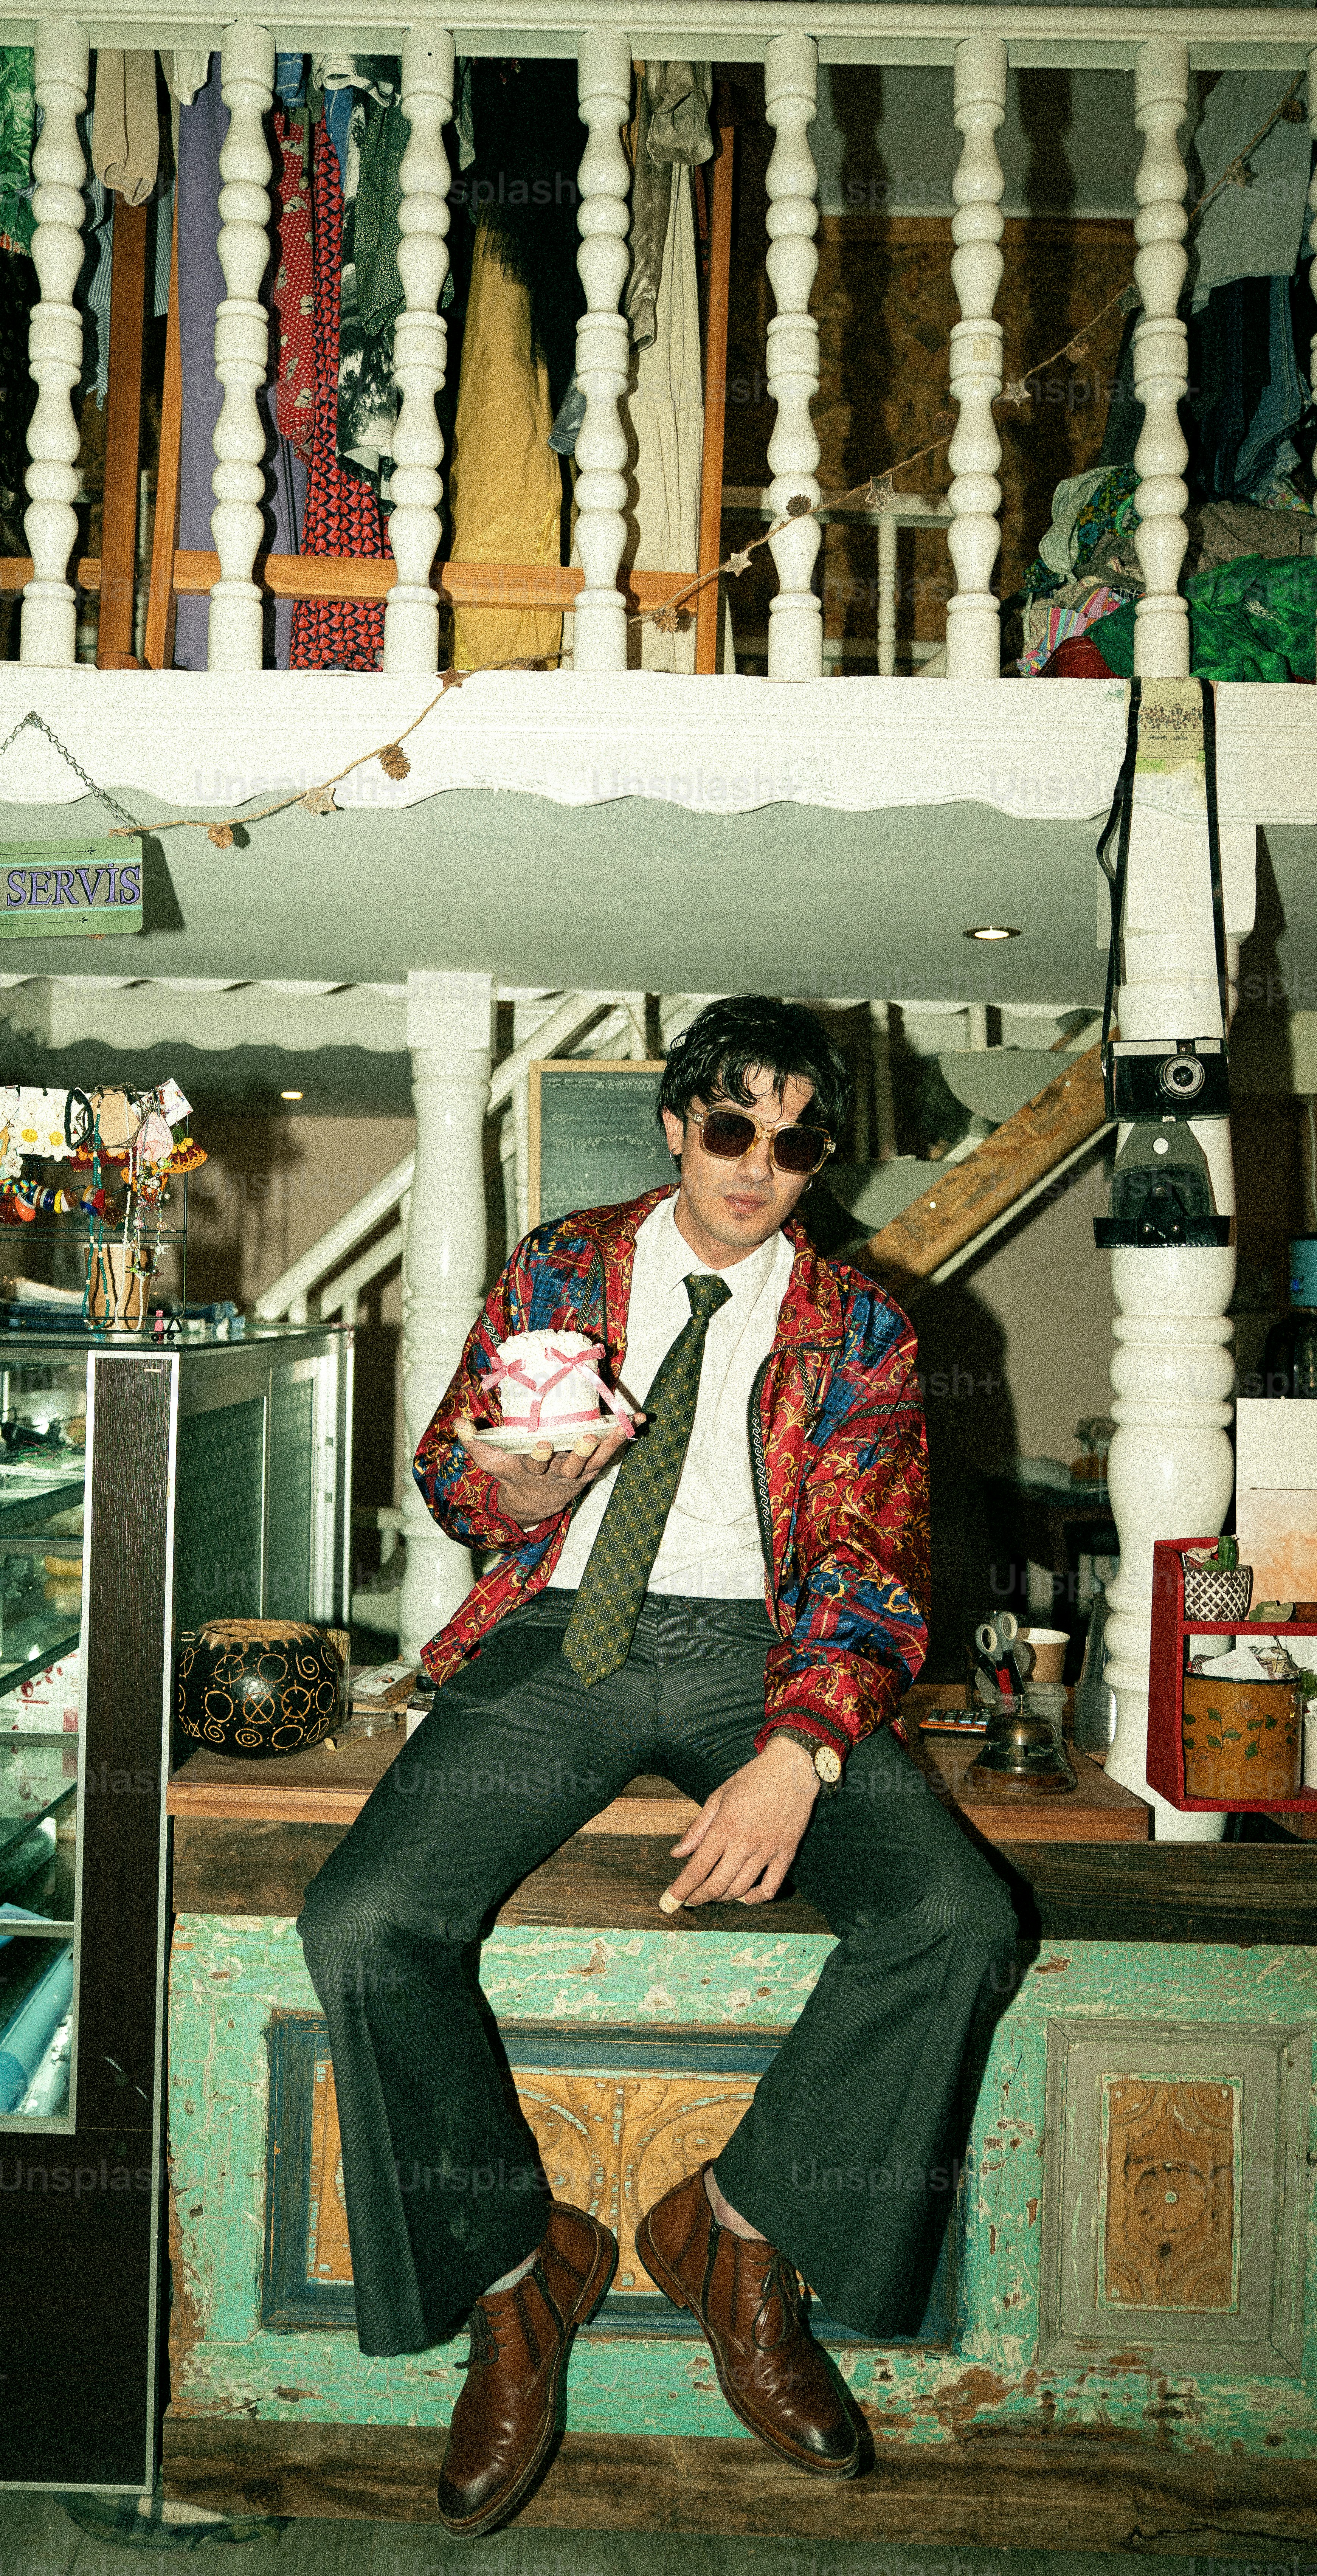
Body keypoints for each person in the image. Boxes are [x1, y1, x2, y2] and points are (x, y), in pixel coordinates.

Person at [299, 995, 1018, 2538]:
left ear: (824, 1158)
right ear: (679, 1120)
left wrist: (799, 1747)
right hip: (560, 1634)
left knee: (956, 1919)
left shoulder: (865, 1328)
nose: (757, 1164)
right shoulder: (562, 1262)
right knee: (364, 1923)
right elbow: (448, 1467)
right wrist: (502, 1478)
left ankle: (737, 2236)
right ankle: (517, 2275)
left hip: (763, 1652)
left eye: (796, 1138)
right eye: (731, 1124)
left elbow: (871, 1569)